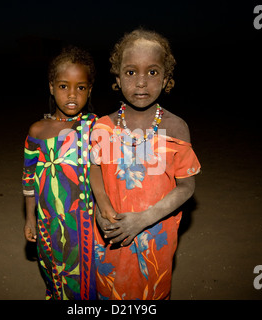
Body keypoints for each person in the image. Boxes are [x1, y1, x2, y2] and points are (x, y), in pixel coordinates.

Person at [89, 28, 201, 300]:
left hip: (155, 234)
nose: (141, 82)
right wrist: (100, 210)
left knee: (152, 293)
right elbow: (94, 169)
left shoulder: (176, 128)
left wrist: (144, 219)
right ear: (117, 77)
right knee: (110, 291)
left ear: (166, 78)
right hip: (111, 234)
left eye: (152, 72)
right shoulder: (103, 127)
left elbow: (186, 186)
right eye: (130, 72)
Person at [22, 46, 98, 300]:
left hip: (86, 224)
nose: (72, 94)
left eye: (81, 87)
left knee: (87, 284)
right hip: (49, 222)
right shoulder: (37, 131)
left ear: (90, 90)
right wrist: (30, 217)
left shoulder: (95, 127)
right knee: (56, 275)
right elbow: (28, 179)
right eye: (64, 86)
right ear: (52, 87)